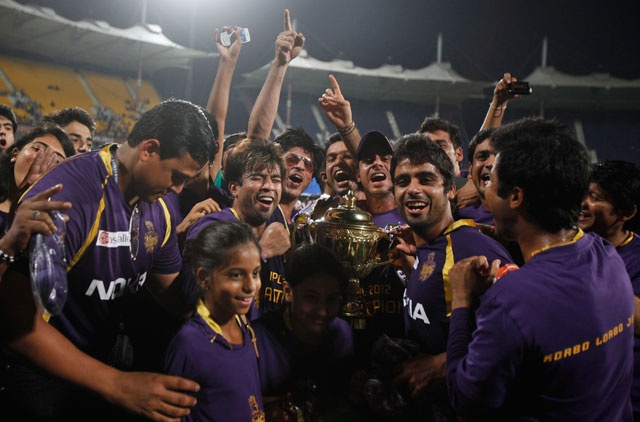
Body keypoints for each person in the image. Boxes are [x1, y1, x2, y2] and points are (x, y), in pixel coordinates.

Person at [0, 99, 214, 421]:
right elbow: (17, 321)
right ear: (148, 150)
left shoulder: (159, 210)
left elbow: (176, 298)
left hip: (97, 373)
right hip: (41, 380)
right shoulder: (69, 196)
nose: (178, 189)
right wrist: (117, 384)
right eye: (176, 175)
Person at [447, 118, 634, 420]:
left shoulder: (509, 300)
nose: (484, 191)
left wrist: (461, 300)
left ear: (516, 197)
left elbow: (466, 400)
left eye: (490, 181)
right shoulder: (607, 254)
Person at [390, 133, 513, 421]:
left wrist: (443, 363)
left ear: (450, 190)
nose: (412, 189)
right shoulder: (425, 247)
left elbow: (524, 332)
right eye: (403, 181)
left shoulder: (474, 248)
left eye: (426, 179)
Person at [164, 220, 265, 422]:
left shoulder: (243, 325)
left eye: (255, 273)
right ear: (204, 278)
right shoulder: (190, 343)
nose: (251, 286)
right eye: (236, 275)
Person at [187, 137, 289, 319]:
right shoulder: (211, 226)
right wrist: (262, 252)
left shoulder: (280, 232)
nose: (269, 186)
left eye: (276, 179)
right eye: (257, 178)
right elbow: (190, 293)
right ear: (234, 188)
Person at [253, 242, 354, 421]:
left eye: (331, 300)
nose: (322, 312)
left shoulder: (342, 334)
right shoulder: (257, 342)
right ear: (288, 291)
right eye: (311, 298)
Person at [578, 159, 640, 418]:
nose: (583, 203)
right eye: (583, 193)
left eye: (596, 197)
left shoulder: (636, 258)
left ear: (627, 213)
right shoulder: (572, 249)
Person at [0, 122, 75, 234]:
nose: (43, 160)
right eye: (37, 149)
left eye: (57, 161)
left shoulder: (56, 228)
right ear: (15, 154)